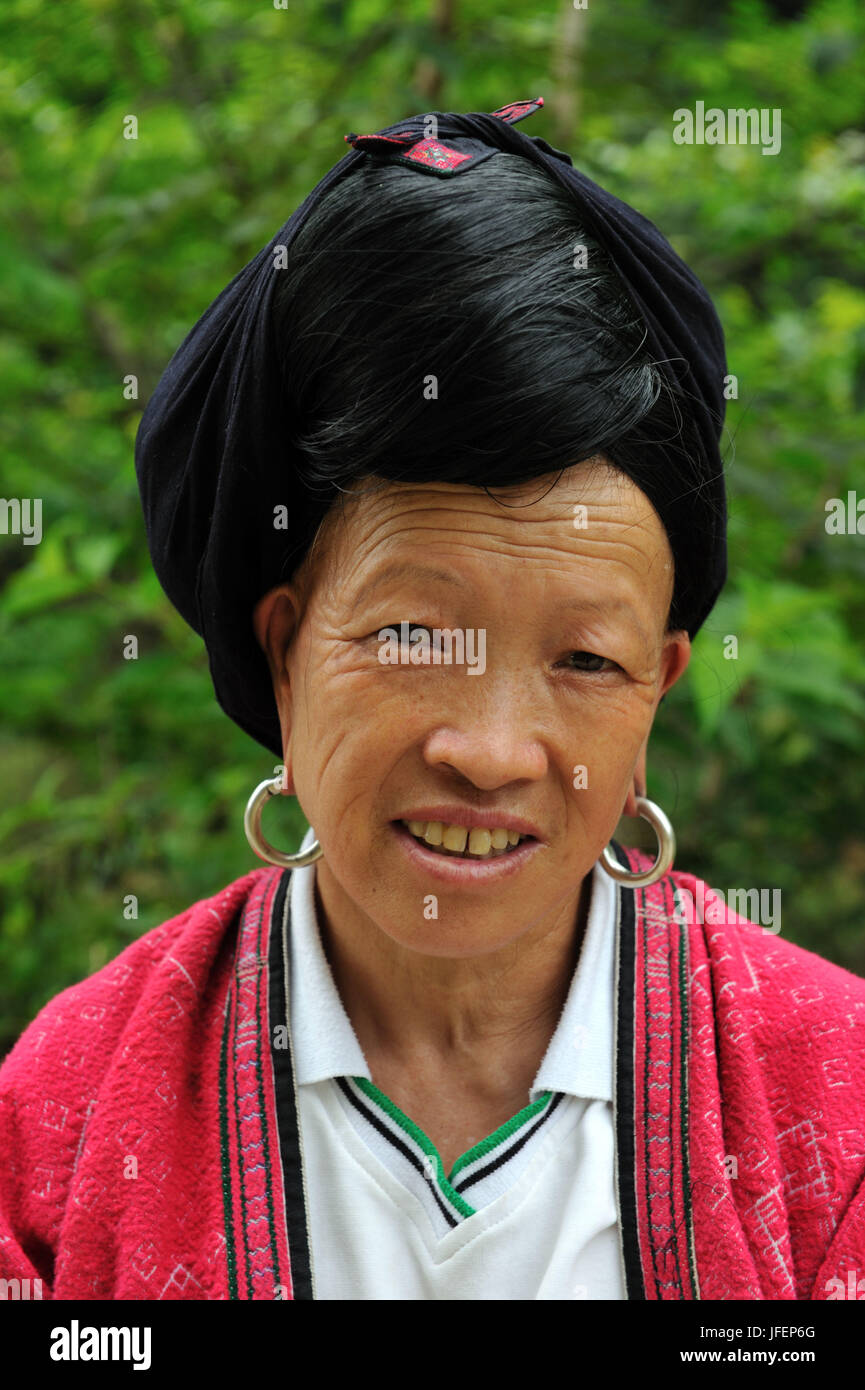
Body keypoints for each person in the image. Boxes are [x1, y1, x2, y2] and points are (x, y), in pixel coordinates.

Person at [1, 97, 863, 1302]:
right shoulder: (60, 1128)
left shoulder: (834, 1108)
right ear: (287, 651)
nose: (494, 751)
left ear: (657, 694)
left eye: (584, 661)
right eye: (413, 632)